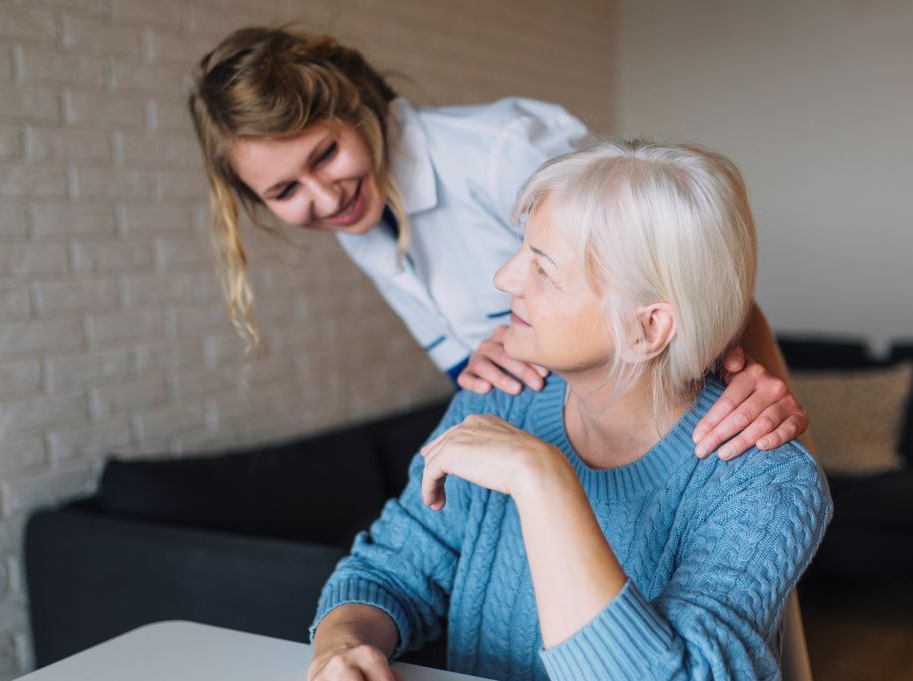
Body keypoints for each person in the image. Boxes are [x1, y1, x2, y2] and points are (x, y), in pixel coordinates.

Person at [299, 140, 832, 681]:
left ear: (646, 327)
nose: (504, 278)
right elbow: (391, 570)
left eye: (542, 268)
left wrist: (543, 479)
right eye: (519, 251)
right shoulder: (501, 394)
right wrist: (341, 646)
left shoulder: (764, 482)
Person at [187, 26, 810, 461]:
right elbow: (475, 373)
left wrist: (755, 381)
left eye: (325, 153)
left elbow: (685, 277)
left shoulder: (499, 152)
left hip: (681, 437)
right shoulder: (360, 225)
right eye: (284, 191)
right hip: (568, 450)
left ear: (354, 106)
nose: (324, 199)